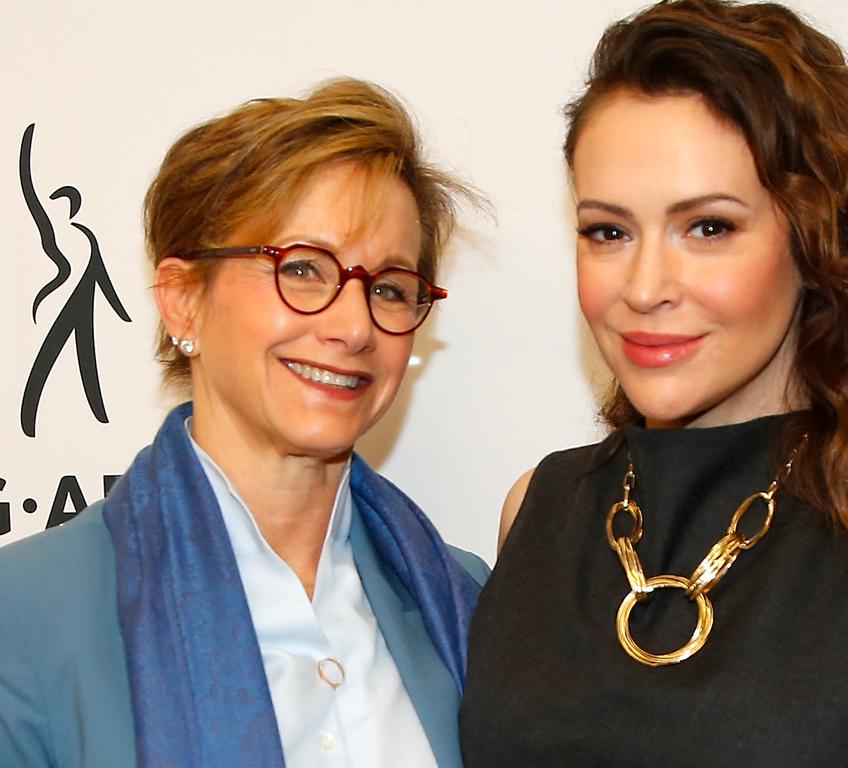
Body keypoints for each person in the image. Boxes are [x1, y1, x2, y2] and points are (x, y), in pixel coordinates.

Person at [459, 1, 848, 766]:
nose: (646, 286)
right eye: (609, 232)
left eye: (709, 227)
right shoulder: (540, 508)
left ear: (817, 240)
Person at [0, 78, 487, 768]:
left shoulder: (468, 602)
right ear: (182, 301)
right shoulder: (24, 615)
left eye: (387, 288)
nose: (353, 327)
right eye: (304, 270)